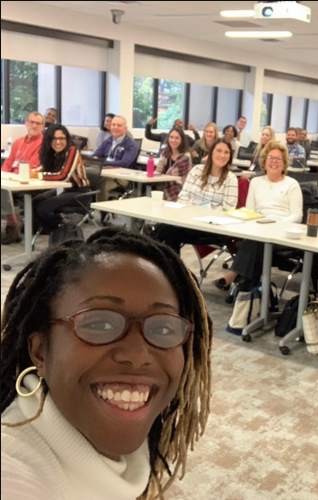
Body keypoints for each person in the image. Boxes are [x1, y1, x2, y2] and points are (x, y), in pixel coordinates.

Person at [1, 227, 212, 499]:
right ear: (40, 351)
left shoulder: (135, 453)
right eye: (100, 323)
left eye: (162, 329)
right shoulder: (12, 472)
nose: (138, 355)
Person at [213, 141, 303, 291]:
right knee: (257, 240)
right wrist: (260, 225)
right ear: (264, 161)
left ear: (284, 162)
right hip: (259, 229)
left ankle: (234, 277)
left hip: (282, 232)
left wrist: (277, 225)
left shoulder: (292, 184)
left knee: (256, 242)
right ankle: (246, 292)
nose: (274, 161)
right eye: (270, 158)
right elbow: (250, 211)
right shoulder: (255, 182)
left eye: (278, 159)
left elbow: (297, 215)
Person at [150, 139, 238, 254]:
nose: (222, 155)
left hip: (212, 227)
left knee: (167, 230)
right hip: (188, 220)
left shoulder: (230, 179)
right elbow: (183, 196)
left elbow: (228, 210)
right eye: (219, 151)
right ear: (211, 153)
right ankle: (167, 267)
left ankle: (159, 264)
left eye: (226, 152)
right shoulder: (196, 170)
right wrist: (190, 213)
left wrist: (200, 213)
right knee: (170, 232)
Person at [31, 125, 90, 235]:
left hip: (80, 192)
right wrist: (30, 172)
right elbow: (40, 168)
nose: (58, 142)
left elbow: (64, 176)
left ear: (67, 139)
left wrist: (38, 176)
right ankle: (48, 230)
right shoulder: (52, 152)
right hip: (64, 190)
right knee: (35, 201)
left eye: (61, 138)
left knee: (44, 208)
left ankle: (61, 229)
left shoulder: (72, 151)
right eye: (54, 138)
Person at [1, 111, 45, 244]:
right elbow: (9, 162)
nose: (34, 126)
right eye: (31, 122)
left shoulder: (43, 144)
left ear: (43, 126)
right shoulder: (18, 141)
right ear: (26, 123)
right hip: (11, 177)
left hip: (27, 180)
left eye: (38, 123)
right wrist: (3, 175)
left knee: (4, 189)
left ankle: (12, 222)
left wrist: (8, 177)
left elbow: (30, 167)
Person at [93, 116, 139, 203]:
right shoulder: (108, 141)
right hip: (105, 173)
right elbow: (95, 156)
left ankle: (104, 213)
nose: (115, 127)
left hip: (122, 177)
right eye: (113, 125)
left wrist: (103, 162)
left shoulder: (130, 145)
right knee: (87, 181)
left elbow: (124, 163)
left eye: (119, 125)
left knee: (102, 185)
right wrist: (100, 161)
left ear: (125, 129)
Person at [155, 128, 192, 202]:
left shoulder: (185, 156)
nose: (173, 140)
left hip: (179, 189)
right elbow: (158, 171)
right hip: (164, 186)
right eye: (171, 137)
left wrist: (158, 177)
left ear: (182, 140)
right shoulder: (165, 153)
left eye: (177, 138)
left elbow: (172, 176)